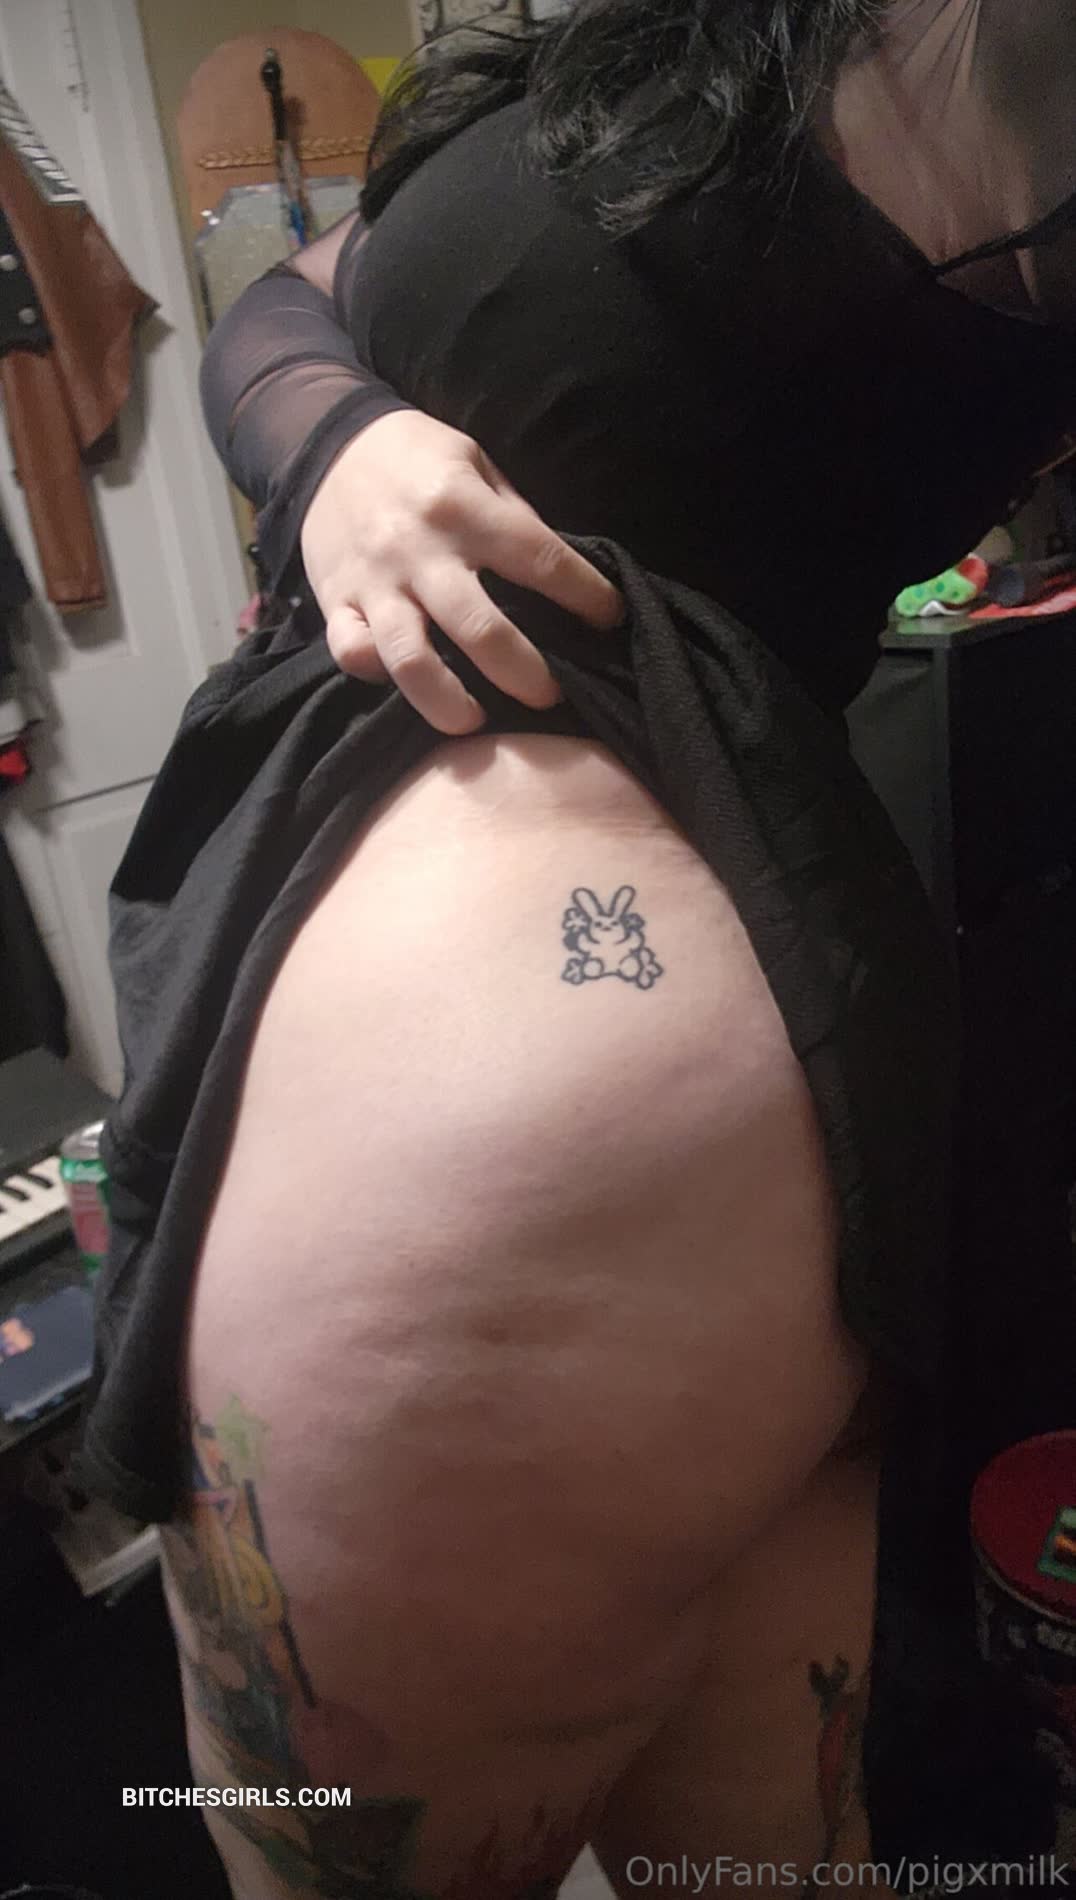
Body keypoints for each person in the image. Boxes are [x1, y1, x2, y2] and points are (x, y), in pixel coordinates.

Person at [81, 4, 1076, 1895]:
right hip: (773, 1105)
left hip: (525, 1177)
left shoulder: (1002, 69)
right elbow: (290, 302)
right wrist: (342, 445)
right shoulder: (682, 46)